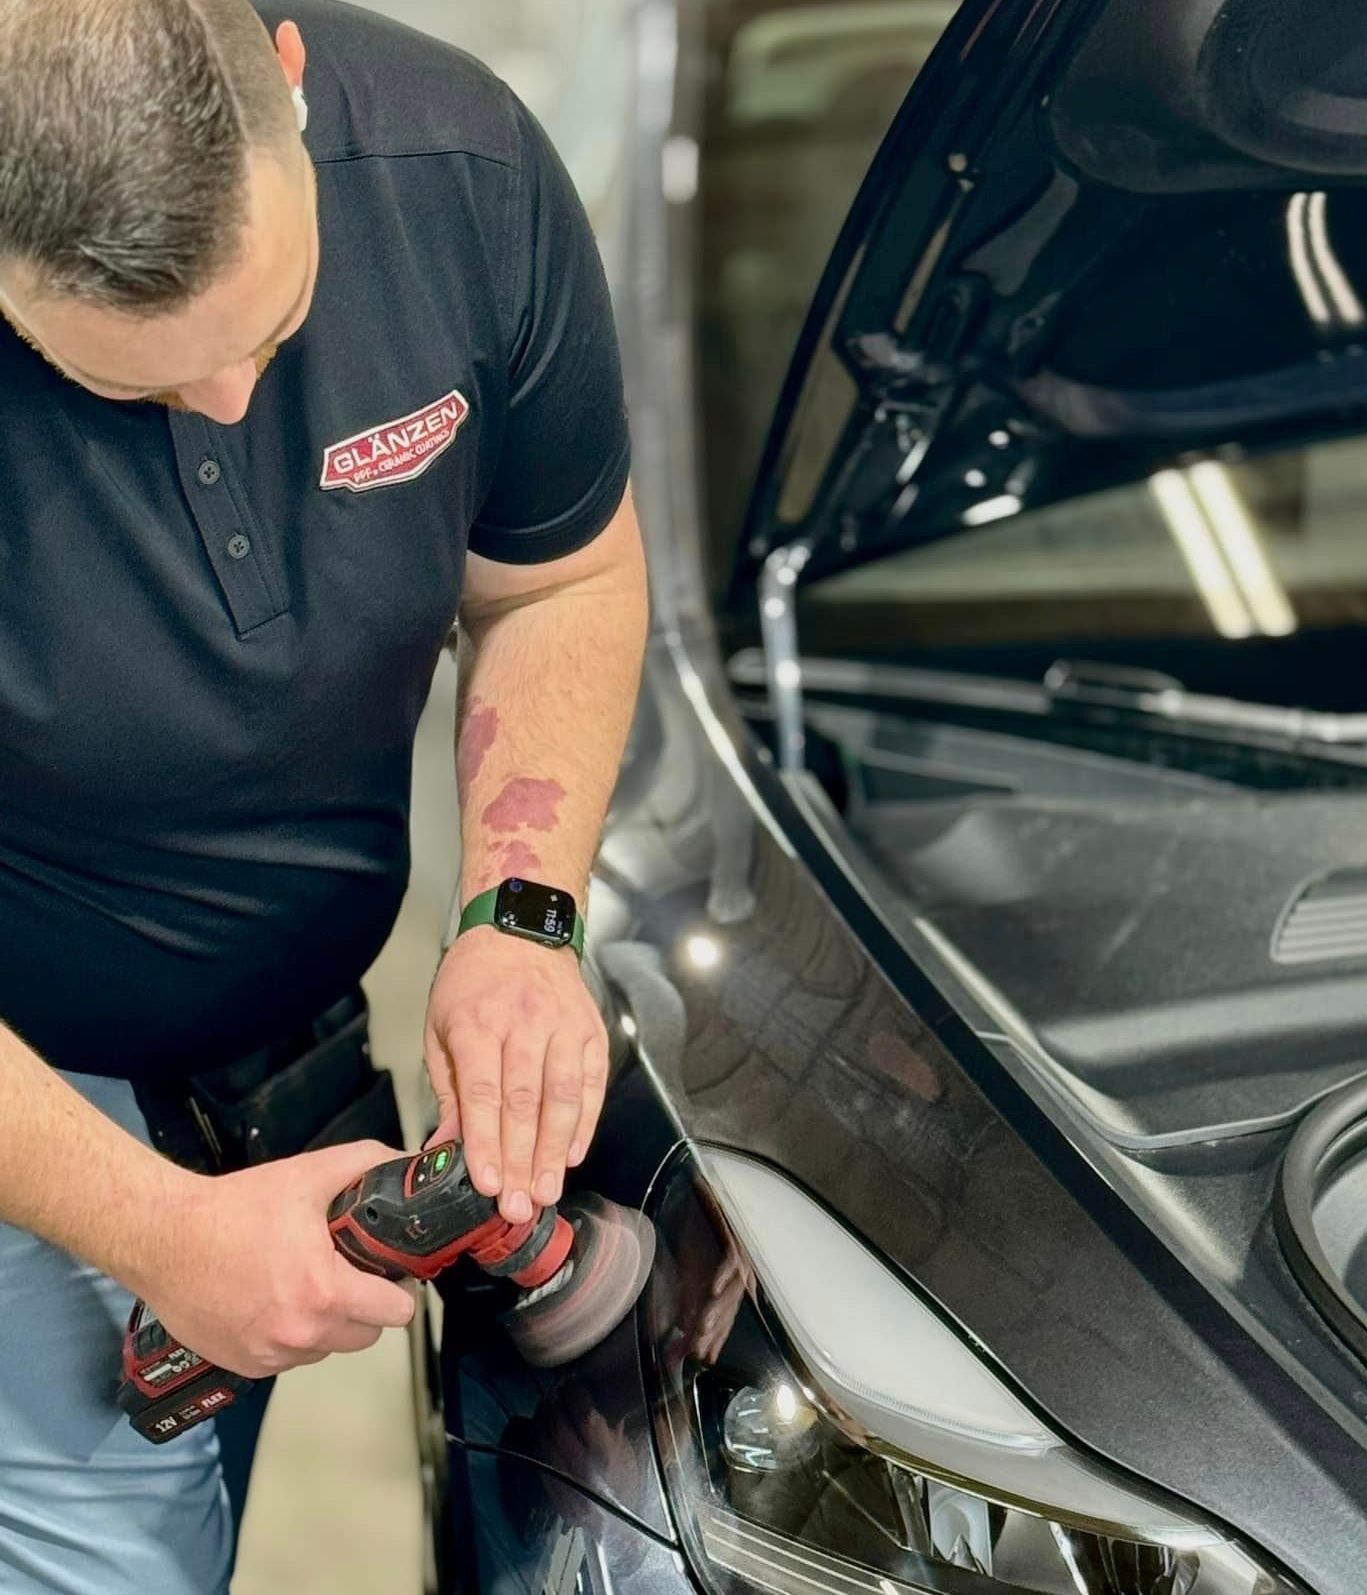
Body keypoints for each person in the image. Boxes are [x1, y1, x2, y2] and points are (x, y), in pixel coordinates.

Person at [0, 0, 648, 1589]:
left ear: (287, 76)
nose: (229, 409)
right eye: (136, 388)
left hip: (265, 1074)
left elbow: (557, 582)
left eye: (273, 333)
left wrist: (515, 913)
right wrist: (154, 1234)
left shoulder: (459, 172)